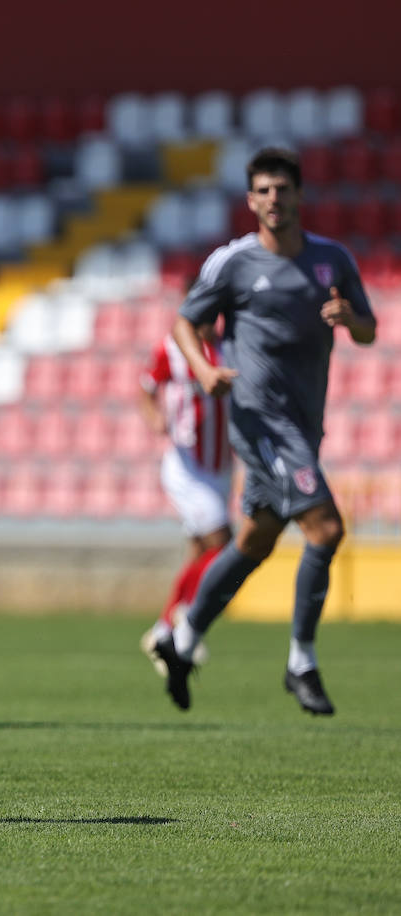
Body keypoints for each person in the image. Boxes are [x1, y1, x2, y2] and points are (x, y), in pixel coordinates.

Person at [153, 147, 376, 715]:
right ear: (251, 201)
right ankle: (302, 662)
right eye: (264, 191)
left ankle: (182, 638)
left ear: (299, 195)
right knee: (324, 529)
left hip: (305, 422)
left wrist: (352, 322)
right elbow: (184, 322)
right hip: (259, 421)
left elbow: (370, 330)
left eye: (283, 188)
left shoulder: (333, 260)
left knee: (254, 542)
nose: (274, 199)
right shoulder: (233, 263)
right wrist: (204, 369)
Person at [135, 320, 231, 674]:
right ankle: (183, 618)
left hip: (221, 464)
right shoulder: (171, 348)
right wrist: (154, 416)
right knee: (223, 543)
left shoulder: (228, 344)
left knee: (199, 551)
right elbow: (145, 388)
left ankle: (165, 631)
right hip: (187, 464)